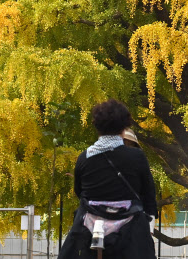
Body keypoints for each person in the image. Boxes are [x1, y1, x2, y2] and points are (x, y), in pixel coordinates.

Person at [59, 99, 157, 259]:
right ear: (124, 127)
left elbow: (79, 192)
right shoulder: (136, 156)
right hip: (129, 233)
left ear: (96, 126)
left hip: (90, 228)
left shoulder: (84, 158)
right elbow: (148, 194)